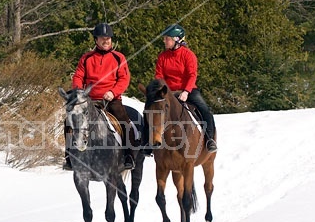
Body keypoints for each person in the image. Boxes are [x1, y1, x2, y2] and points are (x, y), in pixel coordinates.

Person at [63, 22, 137, 171]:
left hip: (111, 99)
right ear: (96, 40)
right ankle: (69, 155)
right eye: (103, 38)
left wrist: (113, 92)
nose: (106, 40)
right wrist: (79, 92)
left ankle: (128, 155)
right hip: (89, 99)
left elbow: (124, 79)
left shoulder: (118, 58)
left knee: (125, 122)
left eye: (108, 38)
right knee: (69, 121)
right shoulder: (86, 58)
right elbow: (78, 76)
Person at [146, 23, 217, 153]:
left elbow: (192, 75)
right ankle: (147, 142)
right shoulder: (162, 56)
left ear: (177, 40)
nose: (164, 41)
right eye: (165, 38)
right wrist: (162, 90)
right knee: (150, 109)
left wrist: (186, 91)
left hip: (188, 90)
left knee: (205, 110)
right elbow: (159, 75)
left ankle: (209, 139)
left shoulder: (188, 55)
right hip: (168, 92)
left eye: (167, 38)